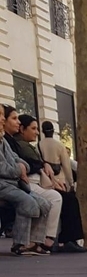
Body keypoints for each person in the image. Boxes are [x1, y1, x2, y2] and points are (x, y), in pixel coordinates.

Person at [13, 113, 87, 254]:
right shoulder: (31, 146)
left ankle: (57, 239)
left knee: (64, 198)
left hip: (43, 180)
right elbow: (66, 165)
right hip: (38, 181)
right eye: (33, 128)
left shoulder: (37, 145)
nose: (36, 132)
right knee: (65, 198)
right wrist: (69, 183)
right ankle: (60, 239)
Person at [5, 107, 62, 252]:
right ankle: (21, 242)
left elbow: (18, 160)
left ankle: (38, 240)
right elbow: (9, 165)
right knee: (29, 201)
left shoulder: (6, 142)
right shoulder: (14, 142)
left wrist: (23, 166)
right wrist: (20, 169)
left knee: (46, 201)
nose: (16, 122)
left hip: (16, 182)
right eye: (13, 118)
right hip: (10, 183)